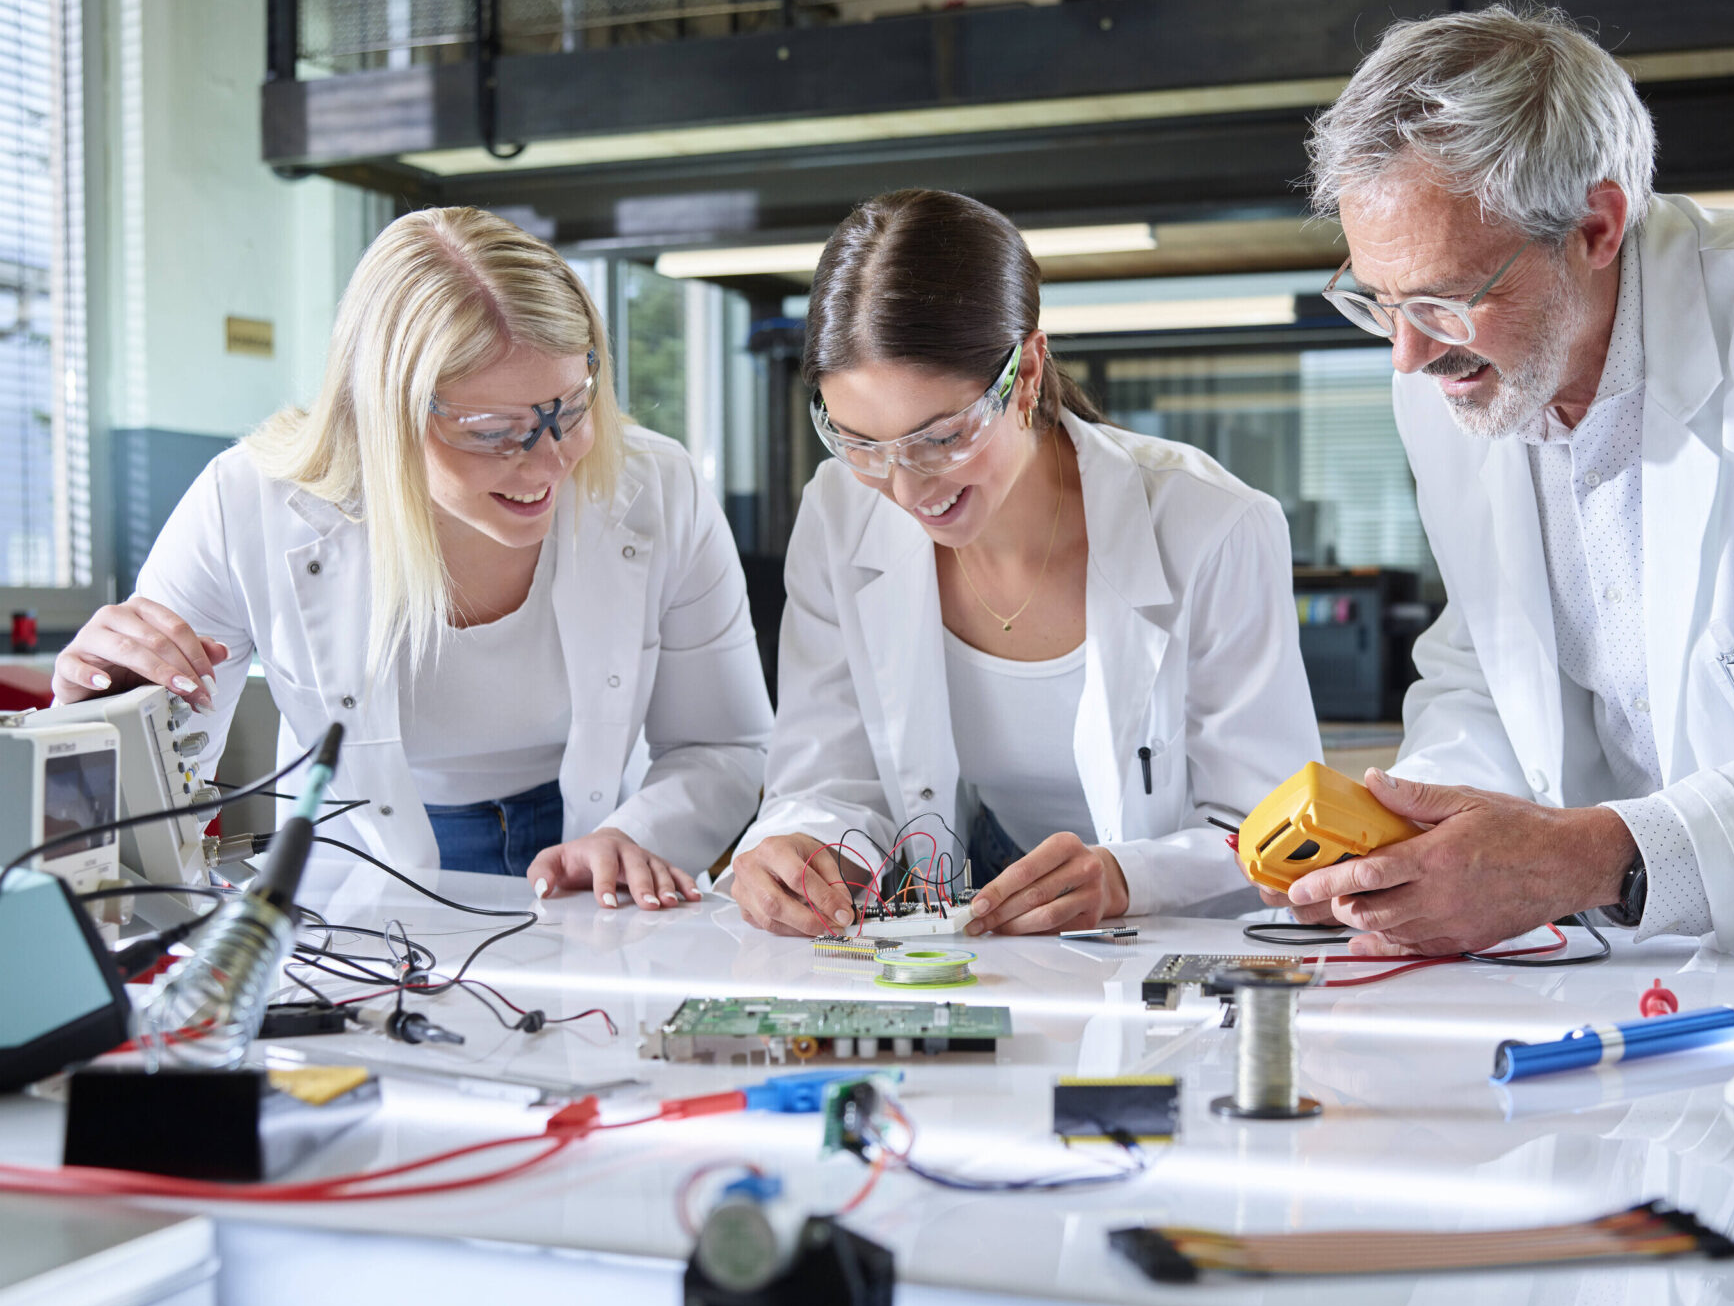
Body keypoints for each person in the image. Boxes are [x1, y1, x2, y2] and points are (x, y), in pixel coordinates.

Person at [1280, 5, 1734, 954]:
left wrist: (1585, 857)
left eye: (1445, 299)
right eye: (1379, 301)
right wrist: (1419, 836)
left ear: (1597, 226)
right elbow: (1483, 668)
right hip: (1640, 959)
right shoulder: (1451, 381)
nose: (1407, 354)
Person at [53, 208, 772, 906]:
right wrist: (93, 724)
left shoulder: (657, 486)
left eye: (570, 406)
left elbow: (726, 743)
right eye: (494, 430)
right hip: (359, 883)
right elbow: (144, 813)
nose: (549, 462)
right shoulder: (248, 505)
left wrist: (633, 835)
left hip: (594, 855)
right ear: (383, 412)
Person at [729, 189, 1321, 937]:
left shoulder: (1215, 524)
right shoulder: (841, 510)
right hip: (975, 885)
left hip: (1168, 927)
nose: (906, 489)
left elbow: (1275, 830)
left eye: (941, 437)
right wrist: (801, 846)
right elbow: (830, 775)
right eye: (858, 442)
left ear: (1028, 373)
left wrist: (1126, 878)